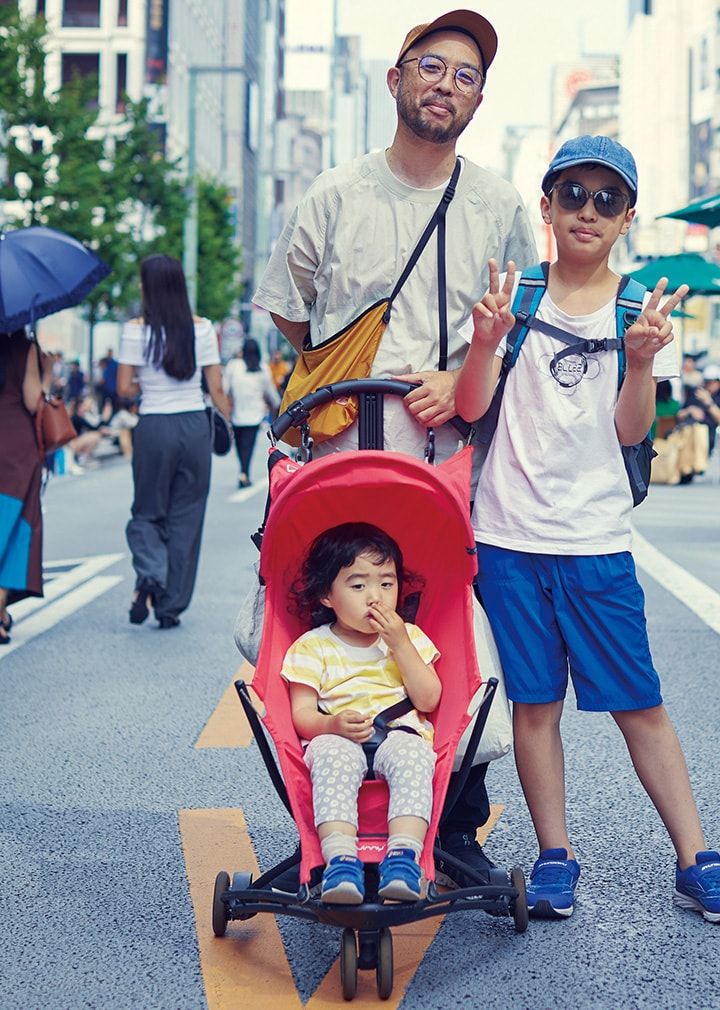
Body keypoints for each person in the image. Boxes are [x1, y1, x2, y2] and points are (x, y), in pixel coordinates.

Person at [253, 9, 537, 885]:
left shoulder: (498, 205)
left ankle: (453, 822)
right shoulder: (335, 192)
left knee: (456, 623)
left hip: (448, 455)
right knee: (319, 609)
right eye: (431, 66)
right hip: (339, 456)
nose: (446, 84)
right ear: (397, 79)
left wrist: (458, 377)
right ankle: (332, 810)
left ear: (479, 99)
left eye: (465, 75)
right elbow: (291, 311)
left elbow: (519, 323)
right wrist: (346, 368)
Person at [455, 135, 720, 924]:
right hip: (507, 538)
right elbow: (469, 407)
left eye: (607, 199)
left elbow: (631, 432)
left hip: (597, 543)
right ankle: (554, 857)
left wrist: (642, 361)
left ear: (627, 217)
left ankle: (697, 861)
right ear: (547, 206)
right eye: (573, 195)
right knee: (533, 706)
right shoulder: (513, 296)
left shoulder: (641, 311)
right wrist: (485, 341)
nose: (587, 211)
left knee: (639, 704)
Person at [283, 522, 441, 903]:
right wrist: (330, 724)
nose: (375, 598)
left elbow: (429, 699)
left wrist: (400, 644)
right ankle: (340, 861)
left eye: (387, 584)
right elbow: (301, 713)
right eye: (358, 586)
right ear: (327, 595)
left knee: (415, 757)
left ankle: (404, 857)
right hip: (337, 736)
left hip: (400, 733)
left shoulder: (409, 638)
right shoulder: (312, 647)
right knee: (331, 758)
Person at [117, 254, 231, 629]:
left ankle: (151, 572)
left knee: (147, 512)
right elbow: (216, 388)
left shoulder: (135, 330)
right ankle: (170, 607)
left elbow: (123, 388)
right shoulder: (202, 329)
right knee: (187, 518)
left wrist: (144, 380)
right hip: (194, 427)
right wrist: (228, 424)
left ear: (149, 287)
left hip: (154, 427)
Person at [0, 331, 48, 644]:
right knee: (15, 527)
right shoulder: (23, 346)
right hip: (15, 447)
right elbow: (33, 401)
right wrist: (47, 373)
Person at [223, 338, 280, 488]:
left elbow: (225, 389)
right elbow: (271, 393)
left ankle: (243, 472)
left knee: (240, 445)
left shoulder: (233, 366)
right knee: (248, 445)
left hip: (236, 414)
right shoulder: (262, 368)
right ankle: (244, 473)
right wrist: (278, 404)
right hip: (255, 415)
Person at [679, 366, 720, 452]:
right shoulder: (695, 394)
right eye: (706, 382)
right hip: (689, 435)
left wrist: (708, 402)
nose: (708, 385)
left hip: (708, 437)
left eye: (711, 382)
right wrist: (690, 410)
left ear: (718, 383)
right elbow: (679, 415)